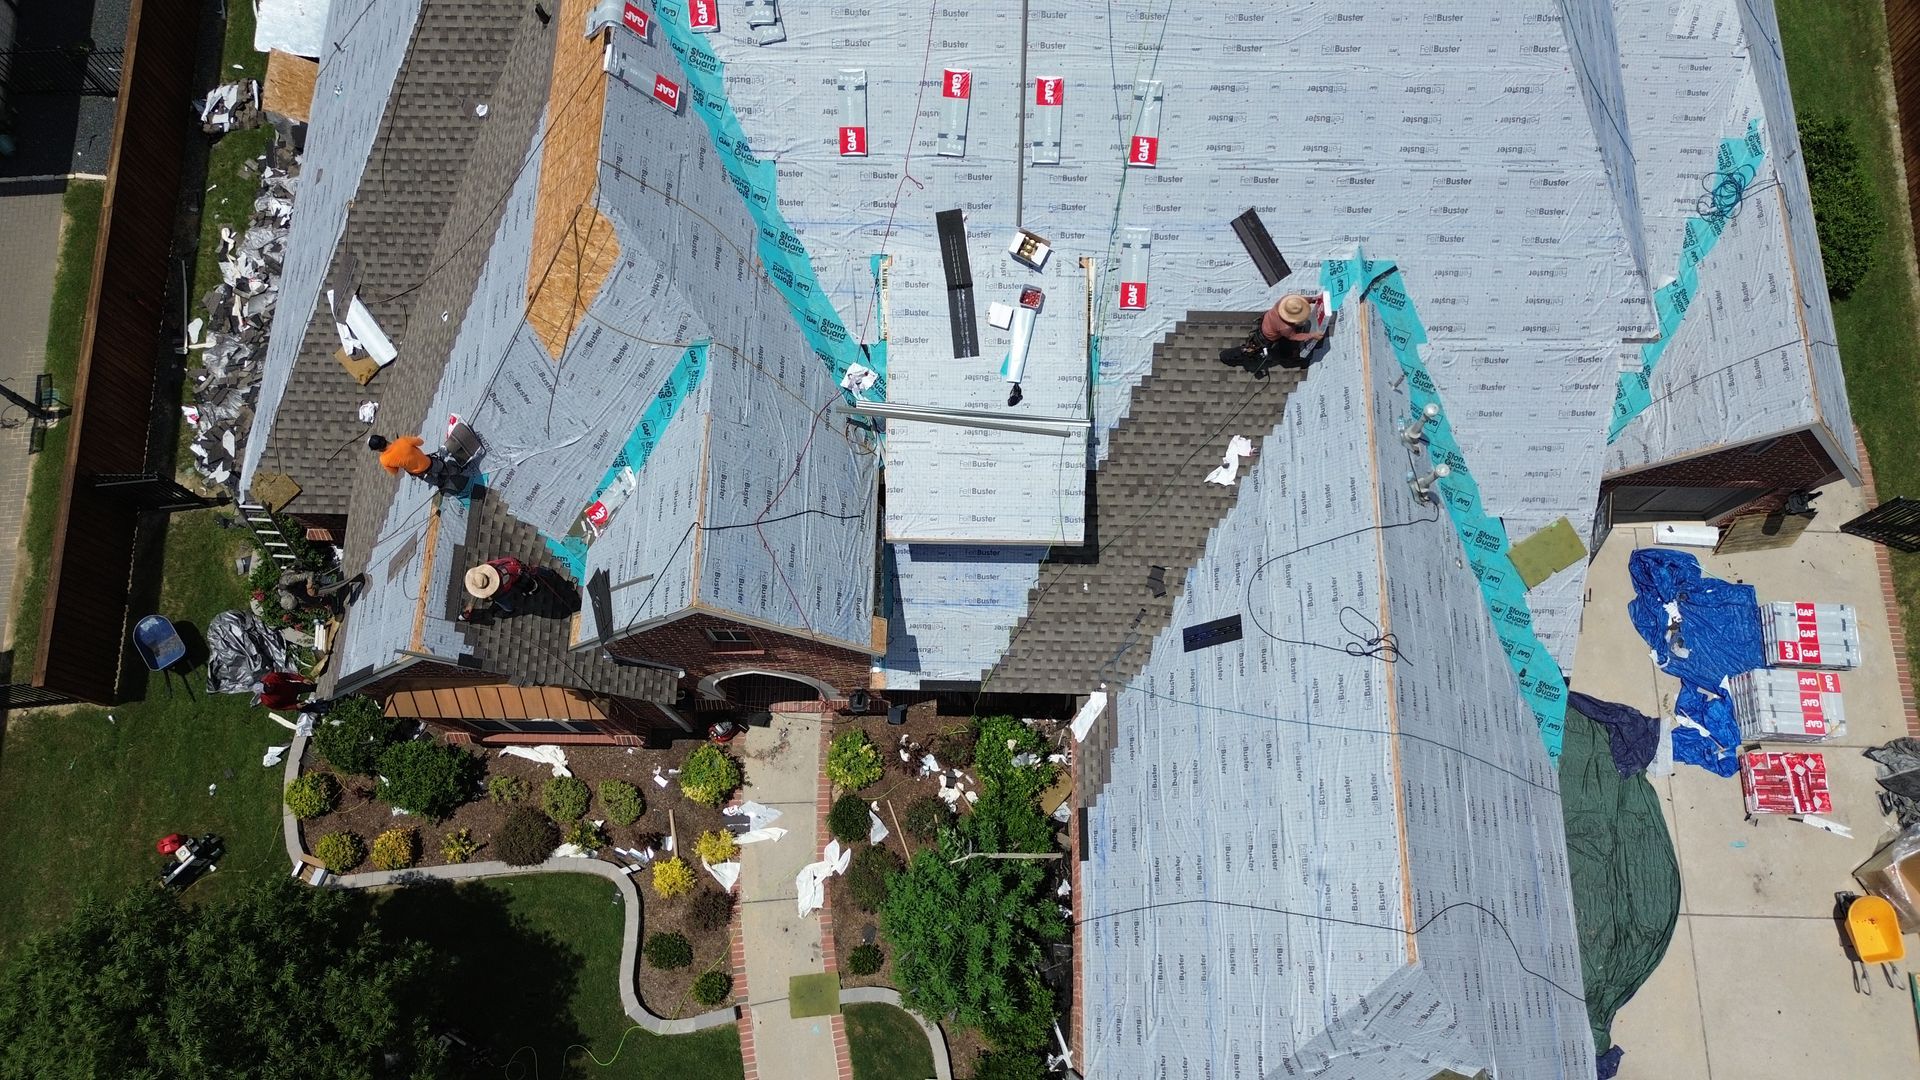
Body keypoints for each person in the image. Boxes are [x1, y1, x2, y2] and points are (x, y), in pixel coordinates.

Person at [1229, 294, 1326, 373]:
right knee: (1284, 354)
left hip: (1266, 322)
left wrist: (1313, 299)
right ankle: (1292, 360)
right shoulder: (1285, 327)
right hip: (1268, 338)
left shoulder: (1285, 301)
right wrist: (1312, 335)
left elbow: (1299, 301)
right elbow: (1294, 336)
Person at [369, 433, 433, 477]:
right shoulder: (402, 440)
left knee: (433, 480)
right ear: (383, 437)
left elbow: (394, 472)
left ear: (377, 450)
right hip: (428, 461)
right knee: (440, 467)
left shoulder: (384, 460)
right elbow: (421, 442)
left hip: (418, 472)